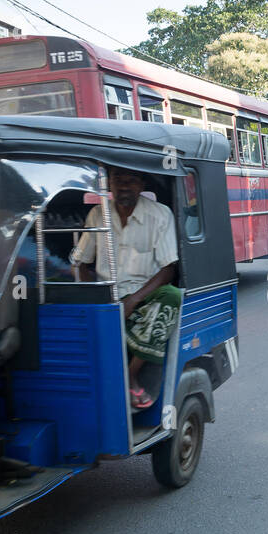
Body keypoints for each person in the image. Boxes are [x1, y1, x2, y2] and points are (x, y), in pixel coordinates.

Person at [71, 168, 180, 410]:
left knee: (172, 296)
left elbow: (167, 270)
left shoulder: (160, 215)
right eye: (118, 180)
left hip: (143, 299)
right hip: (105, 296)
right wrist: (93, 296)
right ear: (110, 183)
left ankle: (130, 374)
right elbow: (80, 264)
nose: (124, 186)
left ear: (142, 185)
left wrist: (132, 301)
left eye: (131, 181)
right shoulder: (97, 214)